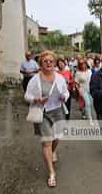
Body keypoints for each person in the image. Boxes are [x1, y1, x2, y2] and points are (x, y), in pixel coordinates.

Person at [24, 50, 69, 187]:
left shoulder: (60, 78)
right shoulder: (35, 79)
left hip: (58, 111)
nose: (49, 63)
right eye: (45, 61)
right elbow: (27, 96)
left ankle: (53, 151)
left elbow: (66, 91)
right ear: (41, 64)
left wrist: (64, 97)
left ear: (54, 63)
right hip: (42, 113)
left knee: (56, 138)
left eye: (51, 61)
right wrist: (36, 99)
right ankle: (51, 173)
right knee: (46, 142)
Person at [74, 57, 94, 125]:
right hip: (83, 90)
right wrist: (79, 91)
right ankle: (90, 119)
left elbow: (92, 80)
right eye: (81, 64)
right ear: (79, 65)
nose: (83, 65)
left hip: (90, 89)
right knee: (87, 104)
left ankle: (83, 112)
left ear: (86, 64)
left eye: (84, 64)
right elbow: (76, 84)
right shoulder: (78, 73)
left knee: (90, 104)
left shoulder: (89, 71)